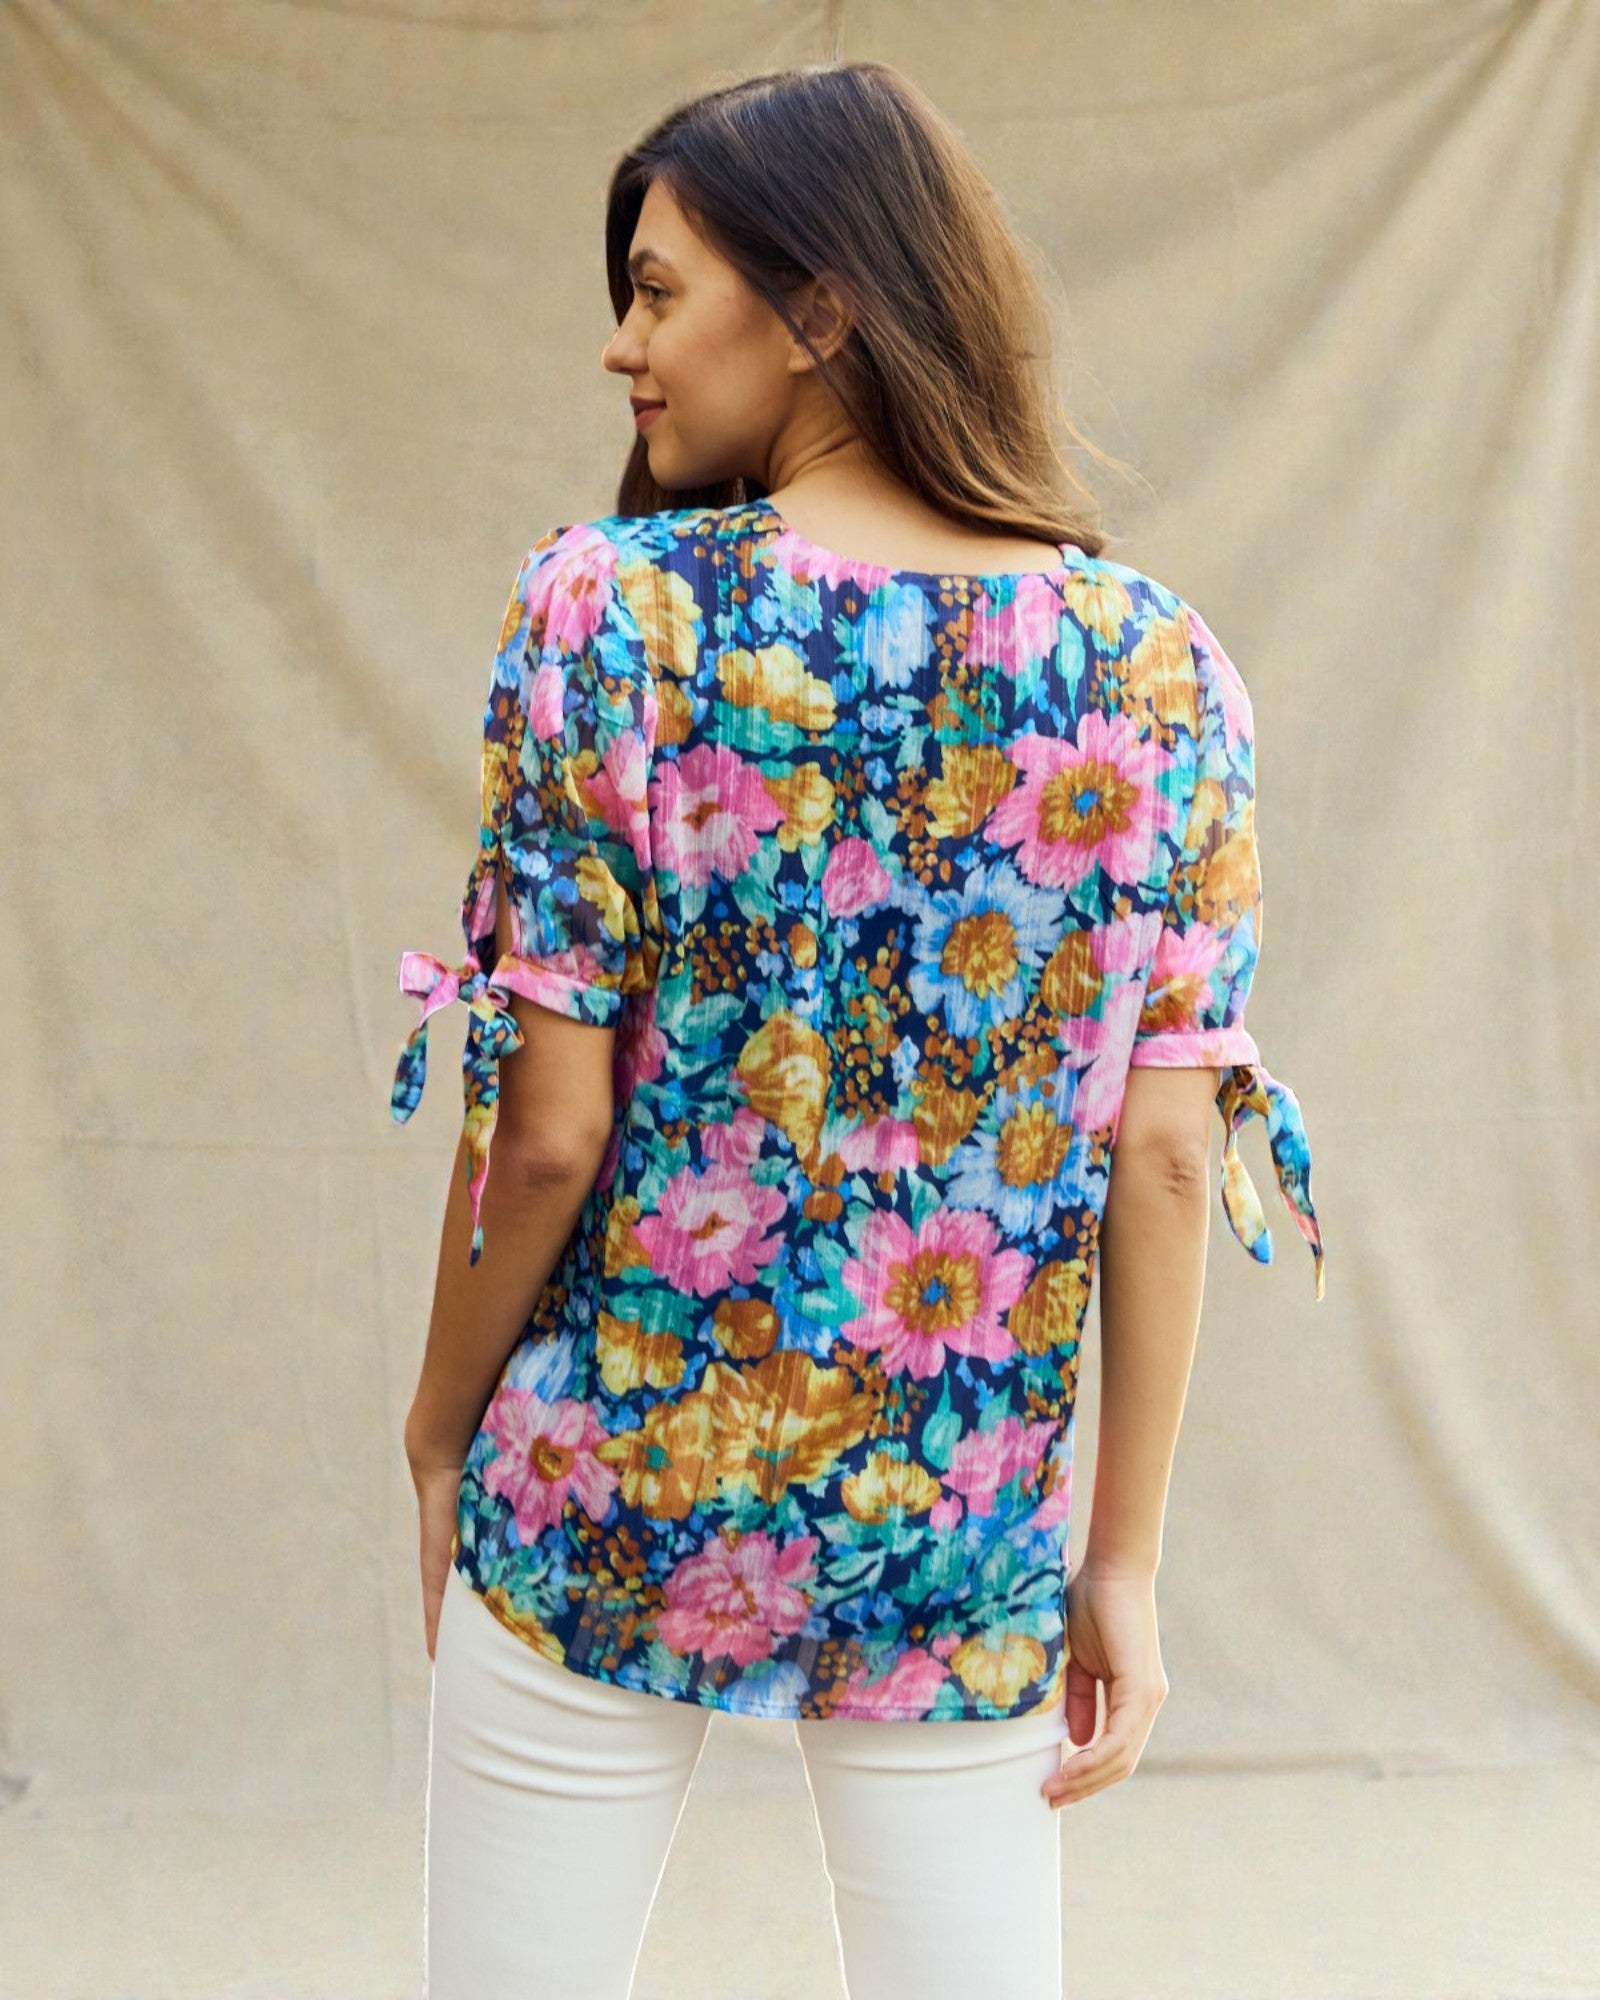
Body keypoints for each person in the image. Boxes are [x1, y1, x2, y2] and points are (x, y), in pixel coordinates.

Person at [390, 59, 1326, 2000]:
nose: (615, 345)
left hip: (598, 1487)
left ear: (819, 308)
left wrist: (427, 1430)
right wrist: (1120, 1564)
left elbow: (544, 1130)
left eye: (655, 291)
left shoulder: (606, 615)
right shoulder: (1161, 675)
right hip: (952, 1521)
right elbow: (1162, 1151)